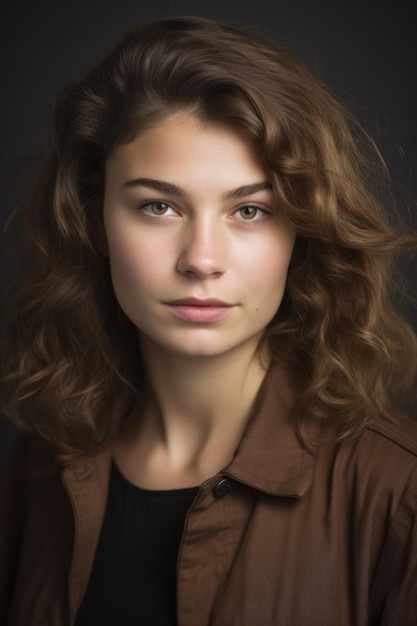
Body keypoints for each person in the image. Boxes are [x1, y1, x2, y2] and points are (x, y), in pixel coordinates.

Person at [1, 15, 417, 626]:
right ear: (95, 222)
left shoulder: (398, 493)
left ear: (301, 232)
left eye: (249, 210)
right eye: (159, 206)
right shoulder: (39, 469)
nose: (201, 260)